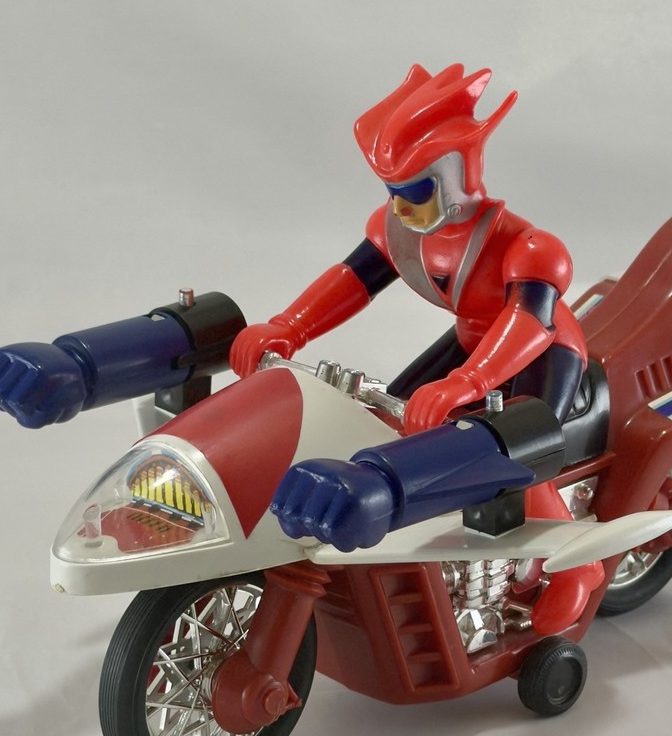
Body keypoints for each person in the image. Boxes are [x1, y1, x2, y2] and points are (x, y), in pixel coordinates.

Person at [231, 63, 603, 635]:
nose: (401, 207)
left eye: (415, 191)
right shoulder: (401, 230)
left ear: (458, 176)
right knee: (391, 423)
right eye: (392, 192)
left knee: (523, 453)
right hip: (473, 342)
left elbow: (529, 322)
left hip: (544, 352)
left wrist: (467, 382)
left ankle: (579, 568)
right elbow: (352, 281)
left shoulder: (530, 248)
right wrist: (289, 326)